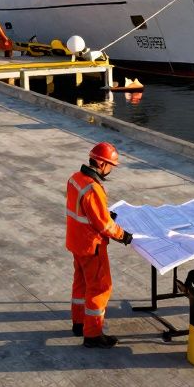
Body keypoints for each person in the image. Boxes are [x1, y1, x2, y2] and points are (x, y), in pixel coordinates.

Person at [66, 142, 133, 348]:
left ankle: (79, 324)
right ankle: (93, 335)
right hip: (91, 246)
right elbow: (104, 225)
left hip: (76, 242)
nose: (111, 169)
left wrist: (103, 212)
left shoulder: (75, 179)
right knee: (99, 288)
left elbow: (84, 211)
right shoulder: (93, 188)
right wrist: (123, 236)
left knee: (81, 284)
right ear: (102, 164)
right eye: (111, 165)